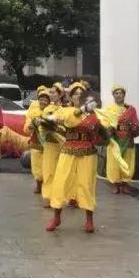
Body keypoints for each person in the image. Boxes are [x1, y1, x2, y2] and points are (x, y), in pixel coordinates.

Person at [47, 81, 103, 233]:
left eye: (81, 94)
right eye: (75, 94)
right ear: (71, 97)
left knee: (86, 184)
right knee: (61, 182)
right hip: (68, 150)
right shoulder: (65, 111)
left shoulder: (93, 114)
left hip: (87, 152)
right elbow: (68, 121)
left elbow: (99, 133)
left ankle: (89, 221)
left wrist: (102, 130)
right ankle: (56, 217)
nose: (78, 96)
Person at [99, 85, 139, 194]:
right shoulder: (109, 109)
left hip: (127, 138)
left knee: (127, 161)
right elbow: (105, 123)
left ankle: (125, 183)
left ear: (124, 95)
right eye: (116, 93)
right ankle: (116, 184)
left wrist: (133, 126)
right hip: (115, 139)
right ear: (113, 95)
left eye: (121, 93)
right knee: (114, 162)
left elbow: (136, 123)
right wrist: (110, 128)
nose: (119, 95)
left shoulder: (131, 109)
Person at [40, 84, 64, 206]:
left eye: (54, 92)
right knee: (49, 171)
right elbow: (42, 127)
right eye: (51, 92)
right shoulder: (47, 109)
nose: (51, 95)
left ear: (60, 94)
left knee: (63, 171)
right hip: (50, 144)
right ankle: (48, 196)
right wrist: (46, 128)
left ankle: (63, 196)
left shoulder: (66, 109)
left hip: (64, 145)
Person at [24, 86, 50, 195]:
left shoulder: (52, 112)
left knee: (48, 165)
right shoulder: (33, 112)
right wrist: (31, 126)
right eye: (41, 99)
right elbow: (27, 128)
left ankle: (48, 186)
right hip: (36, 141)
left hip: (49, 143)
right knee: (36, 165)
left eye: (45, 100)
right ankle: (38, 185)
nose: (43, 102)